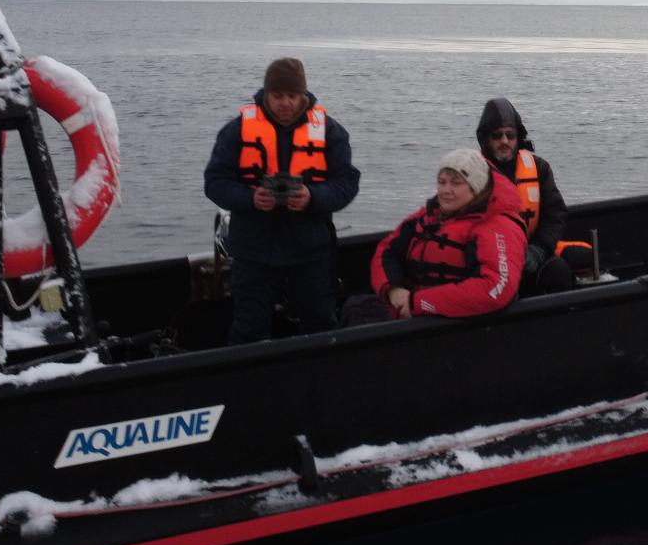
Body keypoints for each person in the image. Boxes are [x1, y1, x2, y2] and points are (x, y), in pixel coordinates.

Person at [204, 57, 360, 344]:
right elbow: (214, 182)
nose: (285, 103)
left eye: (292, 95)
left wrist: (313, 197)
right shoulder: (236, 131)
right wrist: (250, 198)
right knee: (249, 330)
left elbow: (347, 183)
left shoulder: (330, 132)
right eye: (277, 95)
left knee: (321, 326)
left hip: (311, 250)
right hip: (254, 250)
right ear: (266, 94)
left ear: (303, 95)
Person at [369, 149, 524, 319]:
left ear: (476, 188)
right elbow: (387, 251)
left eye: (456, 183)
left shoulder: (498, 226)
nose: (445, 190)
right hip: (408, 312)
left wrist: (419, 303)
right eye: (441, 182)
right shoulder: (427, 216)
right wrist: (393, 290)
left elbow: (496, 288)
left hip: (456, 323)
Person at [475, 97, 575, 293]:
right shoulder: (470, 172)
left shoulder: (539, 168)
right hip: (487, 262)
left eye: (510, 135)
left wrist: (538, 251)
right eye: (497, 136)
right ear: (486, 139)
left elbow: (555, 215)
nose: (504, 141)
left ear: (518, 137)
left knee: (559, 270)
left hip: (531, 256)